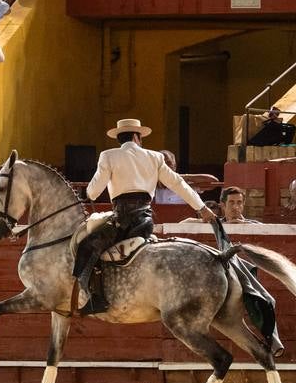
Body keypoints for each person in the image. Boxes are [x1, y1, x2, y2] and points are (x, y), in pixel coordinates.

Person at [75, 118, 217, 314]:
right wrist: (202, 208)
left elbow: (92, 193)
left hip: (121, 222)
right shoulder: (155, 157)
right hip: (144, 222)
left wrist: (97, 187)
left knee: (87, 246)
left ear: (120, 138)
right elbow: (178, 184)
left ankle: (95, 298)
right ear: (136, 137)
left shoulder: (108, 156)